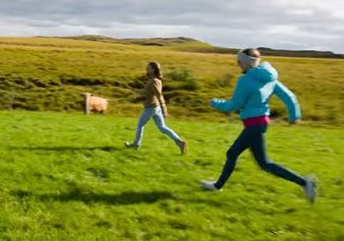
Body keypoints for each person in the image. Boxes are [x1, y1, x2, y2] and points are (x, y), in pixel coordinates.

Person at [201, 48, 317, 203]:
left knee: (264, 163)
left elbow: (235, 104)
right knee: (235, 154)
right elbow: (289, 96)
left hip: (254, 125)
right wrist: (294, 116)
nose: (238, 65)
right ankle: (217, 186)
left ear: (247, 63)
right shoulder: (269, 78)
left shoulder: (245, 80)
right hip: (260, 123)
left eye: (239, 62)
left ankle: (305, 183)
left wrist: (215, 103)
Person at [125, 61, 188, 154]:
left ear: (153, 70)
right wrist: (140, 97)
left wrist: (164, 108)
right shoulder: (153, 80)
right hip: (155, 107)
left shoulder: (154, 81)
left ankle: (136, 144)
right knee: (162, 127)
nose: (146, 68)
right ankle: (180, 143)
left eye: (148, 67)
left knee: (140, 125)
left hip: (151, 108)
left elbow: (159, 95)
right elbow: (151, 94)